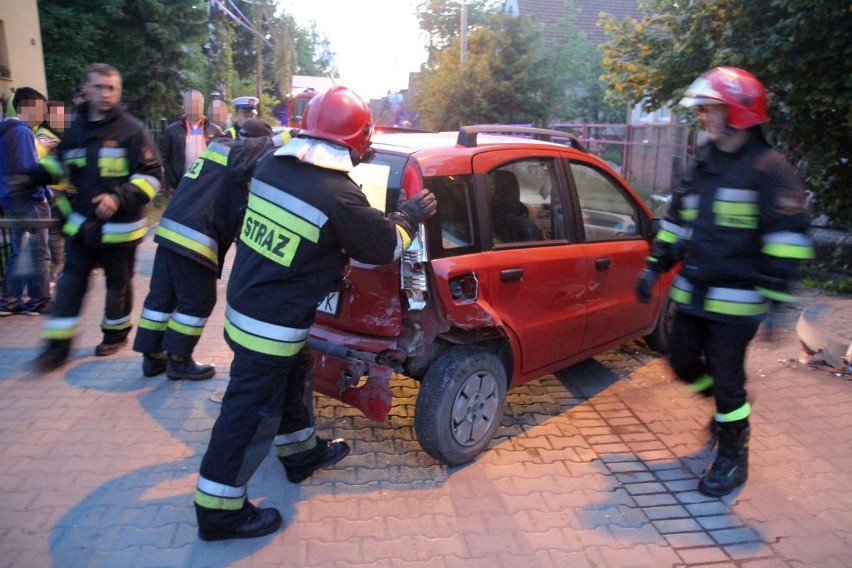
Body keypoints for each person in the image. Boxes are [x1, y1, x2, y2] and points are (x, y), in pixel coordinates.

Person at [193, 86, 437, 541]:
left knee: (294, 377)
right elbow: (381, 246)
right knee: (247, 414)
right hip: (272, 323)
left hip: (247, 306)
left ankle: (301, 454)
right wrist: (407, 215)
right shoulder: (338, 194)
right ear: (357, 139)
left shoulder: (274, 165)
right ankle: (219, 512)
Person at [635, 67, 814, 497]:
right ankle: (726, 408)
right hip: (694, 291)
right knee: (681, 363)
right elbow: (679, 223)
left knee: (728, 377)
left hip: (738, 300)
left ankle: (734, 454)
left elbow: (789, 241)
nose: (703, 118)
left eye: (710, 110)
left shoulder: (769, 171)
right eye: (702, 111)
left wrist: (774, 300)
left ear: (738, 113)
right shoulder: (704, 164)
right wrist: (655, 265)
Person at [133, 118, 297, 381]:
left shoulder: (218, 147)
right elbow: (266, 147)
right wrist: (298, 135)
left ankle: (152, 357)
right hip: (194, 236)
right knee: (198, 300)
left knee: (162, 296)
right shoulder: (239, 154)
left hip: (170, 230)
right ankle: (179, 359)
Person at [32, 63, 163, 371]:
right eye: (99, 87)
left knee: (118, 286)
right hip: (82, 227)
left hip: (121, 230)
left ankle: (115, 333)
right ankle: (56, 349)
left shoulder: (132, 130)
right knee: (69, 286)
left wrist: (118, 197)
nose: (106, 94)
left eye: (112, 88)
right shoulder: (75, 130)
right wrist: (31, 175)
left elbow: (153, 175)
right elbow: (61, 168)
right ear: (86, 90)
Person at [0, 87, 52, 317]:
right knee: (39, 251)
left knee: (20, 251)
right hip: (30, 202)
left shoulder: (5, 130)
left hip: (12, 200)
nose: (43, 115)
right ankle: (39, 300)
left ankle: (9, 300)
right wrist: (41, 194)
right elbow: (28, 169)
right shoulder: (22, 132)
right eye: (41, 109)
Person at [36, 100, 75, 283]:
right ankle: (59, 267)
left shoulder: (56, 134)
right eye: (59, 115)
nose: (63, 118)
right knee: (57, 230)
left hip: (62, 189)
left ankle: (66, 264)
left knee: (67, 225)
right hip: (54, 190)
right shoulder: (44, 136)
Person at [160, 90, 222, 195]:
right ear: (184, 106)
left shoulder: (214, 131)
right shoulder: (172, 130)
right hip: (181, 184)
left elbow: (221, 159)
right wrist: (173, 181)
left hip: (207, 185)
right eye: (191, 103)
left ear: (202, 106)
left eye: (197, 103)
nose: (194, 106)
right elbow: (164, 158)